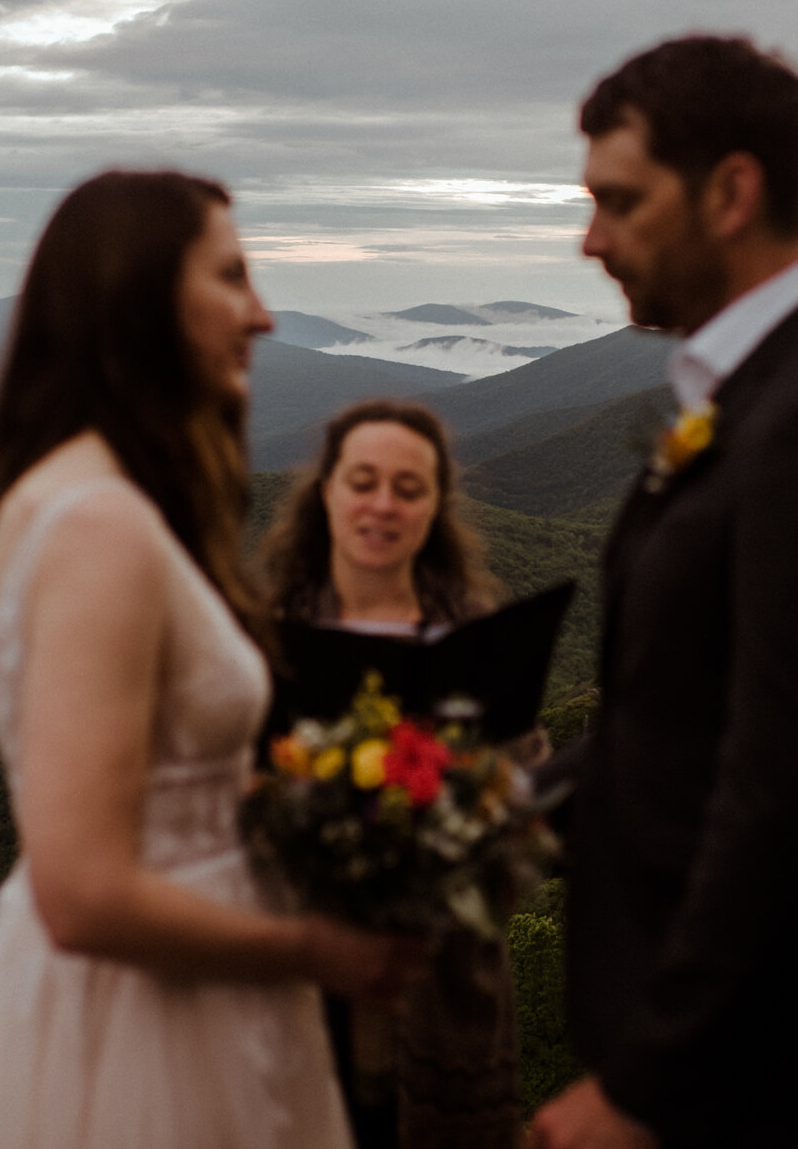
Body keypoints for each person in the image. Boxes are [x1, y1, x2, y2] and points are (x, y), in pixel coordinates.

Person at [0, 170, 411, 1149]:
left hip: (182, 1004)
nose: (261, 316)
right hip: (147, 1033)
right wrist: (315, 949)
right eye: (231, 277)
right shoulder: (100, 526)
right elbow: (83, 894)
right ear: (138, 299)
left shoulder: (76, 499)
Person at [528, 37, 798, 1149]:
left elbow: (789, 792)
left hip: (735, 1071)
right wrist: (484, 819)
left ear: (729, 190)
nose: (590, 240)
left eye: (618, 202)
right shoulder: (758, 397)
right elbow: (676, 710)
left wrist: (643, 1088)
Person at [258, 400, 523, 1149]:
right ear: (327, 493)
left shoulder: (477, 634)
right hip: (293, 989)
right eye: (362, 480)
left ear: (436, 506)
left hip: (444, 993)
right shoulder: (262, 638)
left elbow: (517, 793)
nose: (383, 504)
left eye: (409, 488)